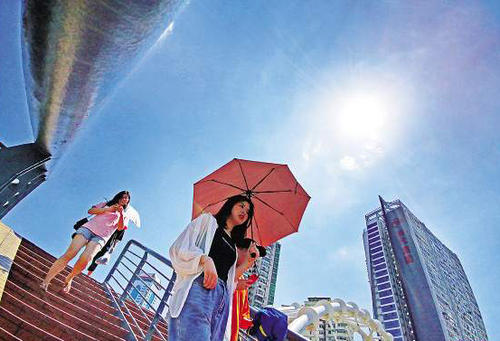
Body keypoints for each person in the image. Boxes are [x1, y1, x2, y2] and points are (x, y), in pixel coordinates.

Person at [168, 195, 256, 341]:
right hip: (200, 288)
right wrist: (205, 260)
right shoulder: (208, 221)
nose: (244, 212)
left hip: (222, 300)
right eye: (241, 206)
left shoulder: (233, 247)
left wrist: (248, 262)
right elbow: (179, 247)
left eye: (248, 212)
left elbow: (229, 279)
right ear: (230, 206)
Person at [40, 191, 131, 293]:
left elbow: (120, 227)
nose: (124, 199)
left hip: (101, 237)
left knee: (86, 259)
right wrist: (108, 209)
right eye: (123, 197)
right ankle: (46, 281)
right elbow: (91, 211)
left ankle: (70, 277)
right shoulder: (105, 204)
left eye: (127, 198)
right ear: (118, 197)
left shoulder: (125, 215)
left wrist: (122, 213)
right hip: (88, 229)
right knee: (70, 254)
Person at [231, 238, 267, 341]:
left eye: (254, 260)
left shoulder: (243, 285)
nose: (251, 264)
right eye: (252, 255)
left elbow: (241, 319)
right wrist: (232, 285)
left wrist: (260, 321)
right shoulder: (219, 269)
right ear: (237, 249)